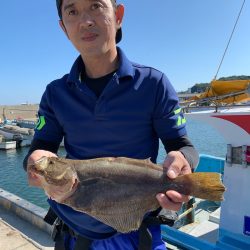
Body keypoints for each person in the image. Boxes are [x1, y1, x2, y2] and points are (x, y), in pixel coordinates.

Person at [23, 0, 199, 249]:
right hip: (74, 235)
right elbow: (40, 146)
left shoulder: (154, 83)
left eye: (96, 6)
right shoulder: (55, 93)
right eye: (72, 11)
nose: (85, 21)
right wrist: (33, 161)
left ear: (118, 15)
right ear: (63, 27)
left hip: (137, 235)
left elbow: (183, 146)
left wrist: (183, 163)